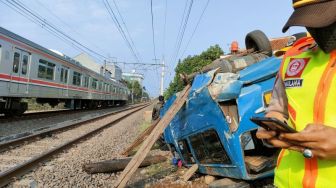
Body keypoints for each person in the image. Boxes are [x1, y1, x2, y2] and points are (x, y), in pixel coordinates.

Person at [256, 0, 336, 187]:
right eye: (309, 19)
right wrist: (273, 129)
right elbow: (278, 110)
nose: (316, 30)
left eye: (325, 18)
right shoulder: (294, 57)